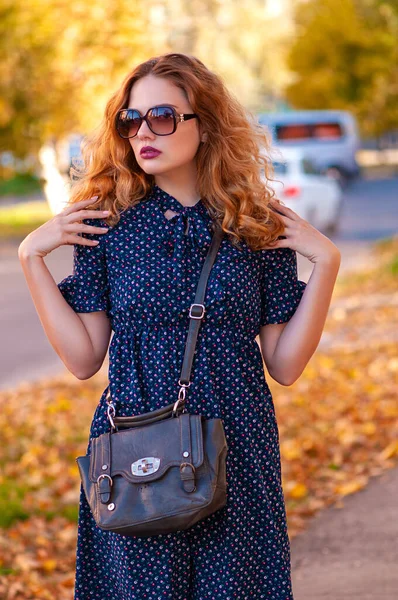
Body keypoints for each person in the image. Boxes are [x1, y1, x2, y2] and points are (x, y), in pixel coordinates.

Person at [18, 52, 341, 600]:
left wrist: (326, 264)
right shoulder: (107, 223)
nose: (143, 131)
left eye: (162, 116)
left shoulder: (252, 221)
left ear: (205, 124)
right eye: (131, 118)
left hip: (237, 443)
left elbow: (286, 365)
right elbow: (82, 359)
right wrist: (32, 259)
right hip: (136, 449)